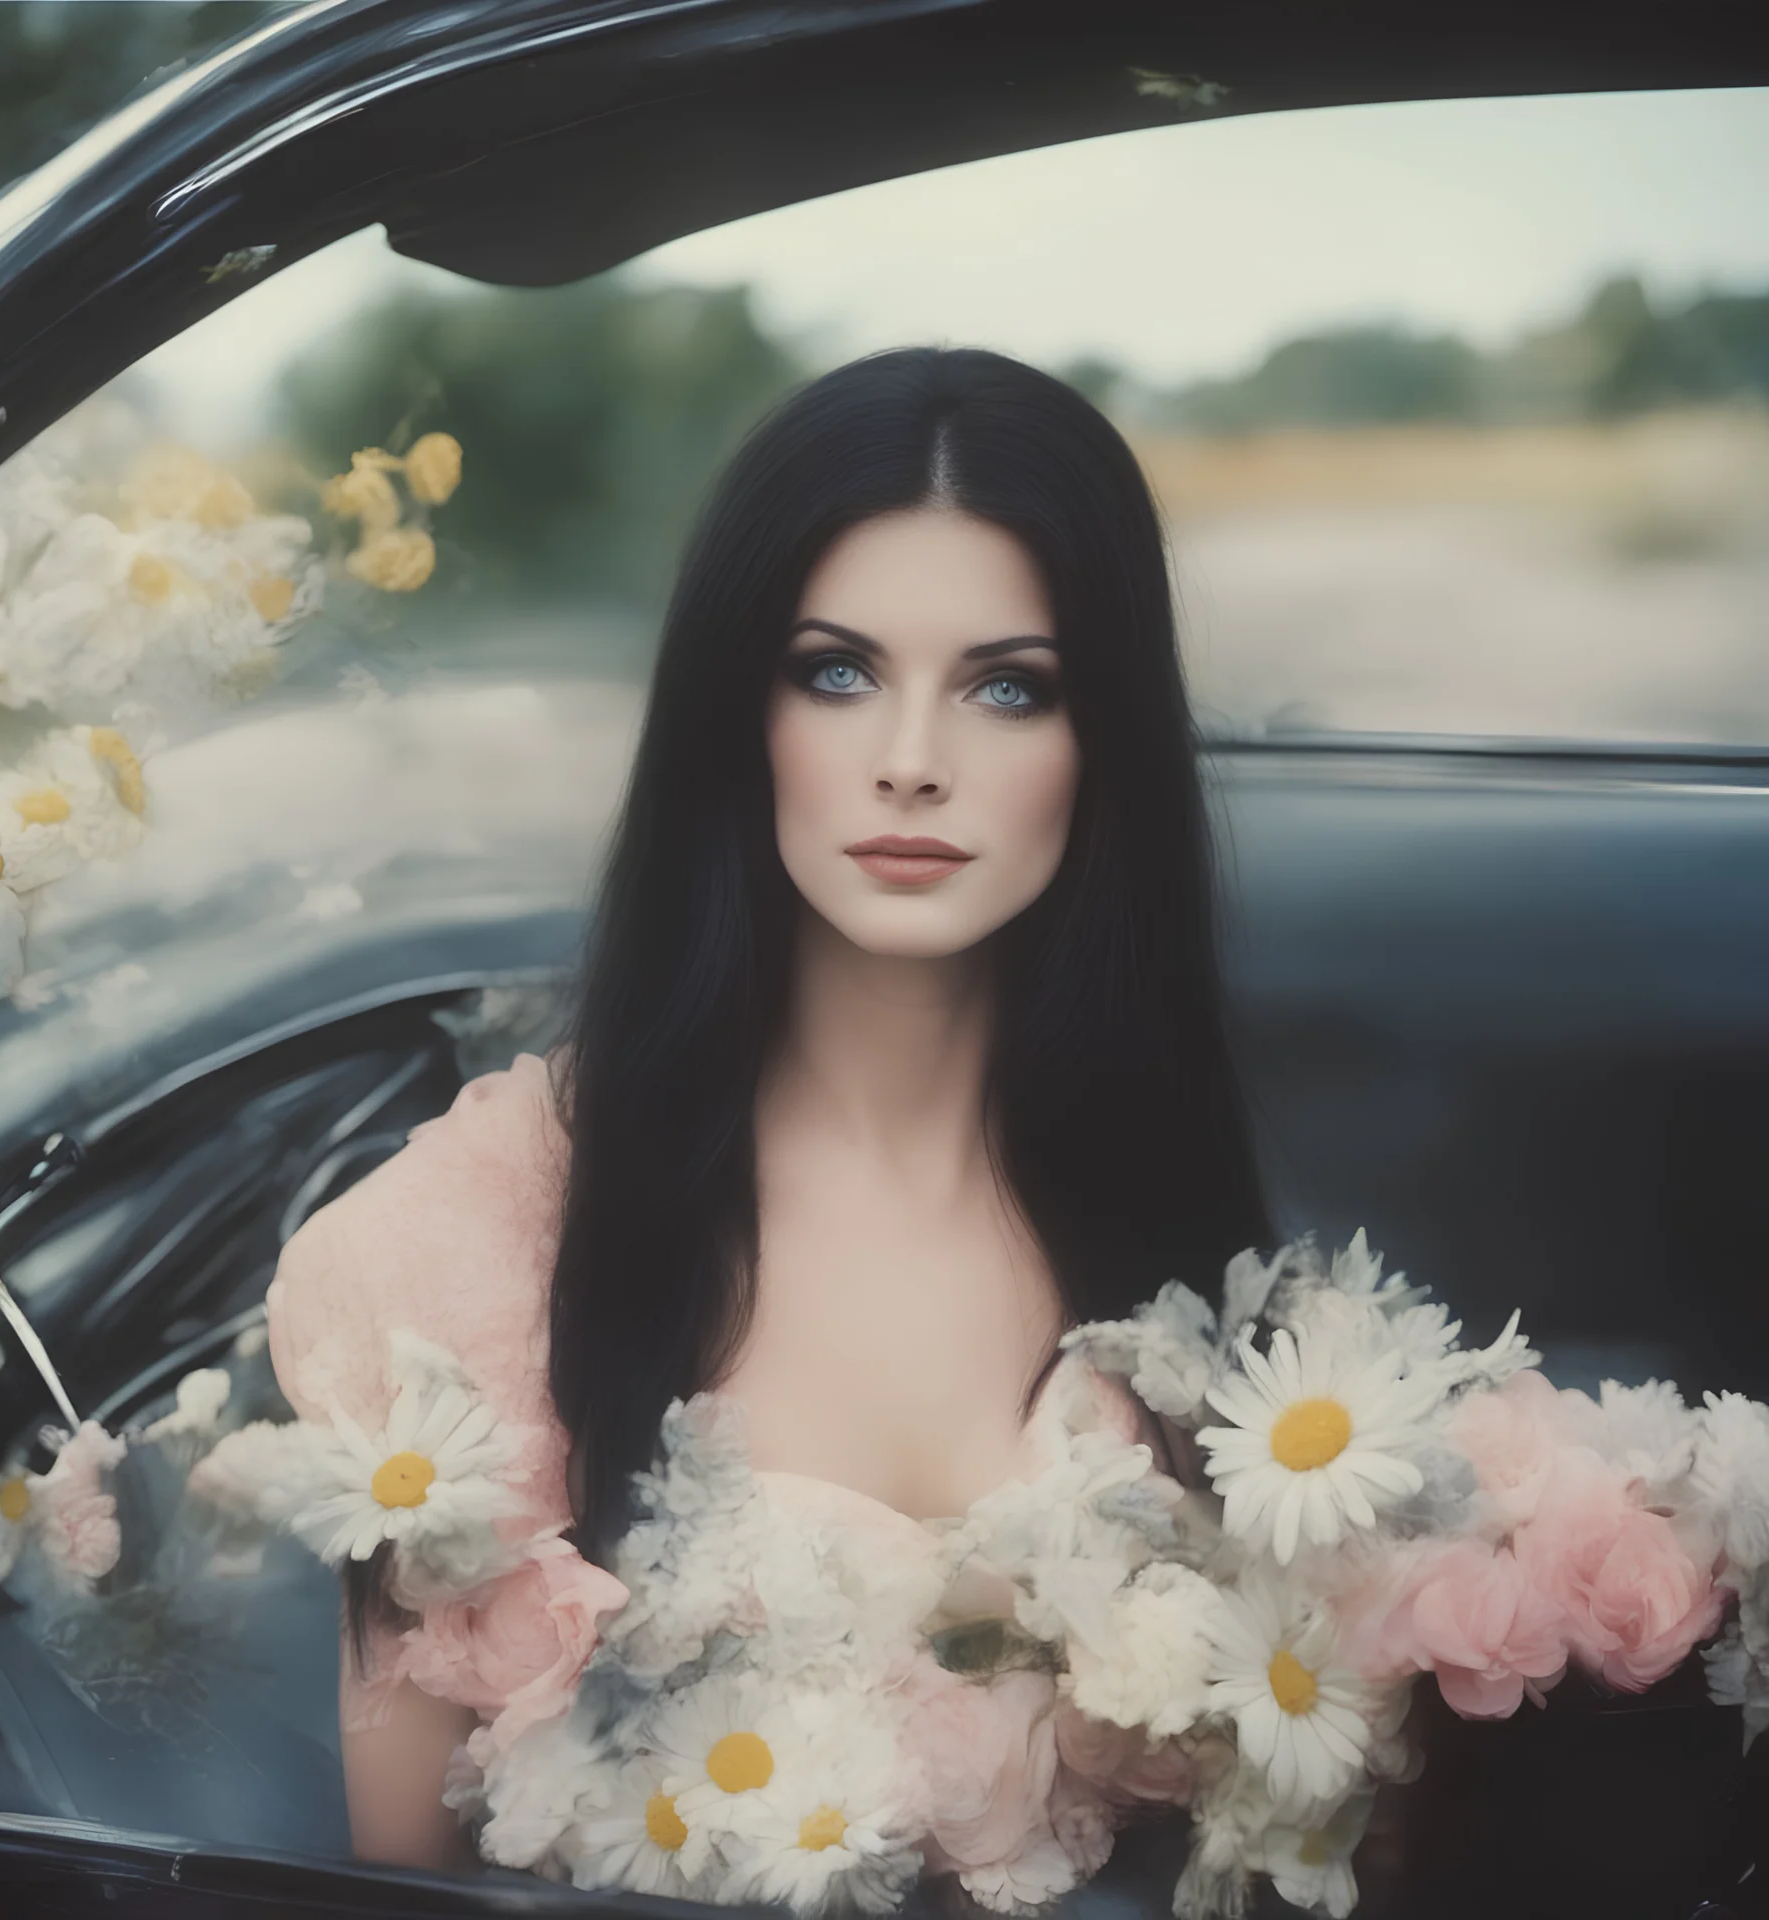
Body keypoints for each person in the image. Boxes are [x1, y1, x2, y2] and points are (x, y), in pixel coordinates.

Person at [263, 346, 1273, 1888]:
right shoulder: (480, 1247)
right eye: (838, 671)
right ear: (742, 712)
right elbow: (393, 1877)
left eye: (1010, 686)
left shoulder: (1173, 1222)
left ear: (1103, 741)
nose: (915, 763)